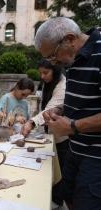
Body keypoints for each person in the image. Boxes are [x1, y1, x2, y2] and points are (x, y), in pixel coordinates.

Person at [34, 17, 101, 210]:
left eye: (53, 57)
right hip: (76, 151)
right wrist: (60, 110)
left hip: (96, 158)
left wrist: (73, 126)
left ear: (70, 39)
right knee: (68, 200)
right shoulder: (74, 57)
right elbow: (84, 99)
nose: (54, 63)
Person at [21, 59, 68, 207]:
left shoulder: (62, 85)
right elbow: (43, 108)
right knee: (52, 169)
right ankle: (53, 198)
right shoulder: (48, 83)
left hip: (63, 137)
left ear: (55, 71)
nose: (42, 76)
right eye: (40, 72)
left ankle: (57, 201)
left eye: (45, 73)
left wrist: (31, 122)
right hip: (51, 133)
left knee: (60, 171)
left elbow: (49, 111)